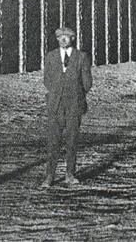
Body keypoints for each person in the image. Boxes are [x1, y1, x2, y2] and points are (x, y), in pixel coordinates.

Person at [41, 27, 92, 188]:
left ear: (73, 39)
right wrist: (57, 92)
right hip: (56, 105)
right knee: (53, 141)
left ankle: (70, 174)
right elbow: (47, 80)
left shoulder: (81, 57)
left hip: (74, 105)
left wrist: (76, 94)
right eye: (60, 36)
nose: (63, 39)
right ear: (57, 39)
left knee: (72, 140)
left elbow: (87, 82)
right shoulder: (51, 56)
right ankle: (49, 176)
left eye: (67, 36)